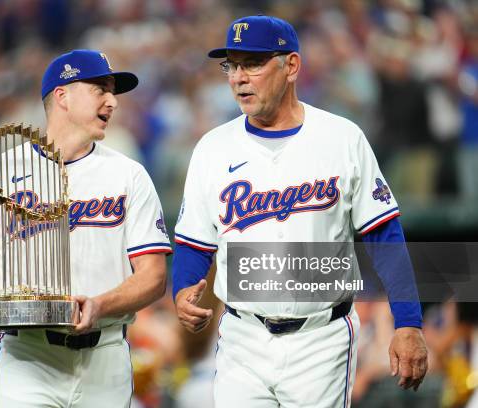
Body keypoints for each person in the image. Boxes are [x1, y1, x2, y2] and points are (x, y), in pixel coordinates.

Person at [172, 15, 428, 407]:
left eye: (253, 63)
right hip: (243, 337)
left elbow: (384, 235)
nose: (238, 77)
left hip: (321, 340)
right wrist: (183, 290)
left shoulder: (342, 138)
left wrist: (408, 321)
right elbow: (194, 242)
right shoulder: (212, 147)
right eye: (232, 65)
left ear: (291, 65)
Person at [0, 49, 172, 408]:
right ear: (62, 95)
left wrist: (101, 304)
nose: (112, 101)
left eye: (113, 91)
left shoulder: (129, 176)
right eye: (100, 89)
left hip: (106, 355)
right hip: (26, 357)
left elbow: (153, 276)